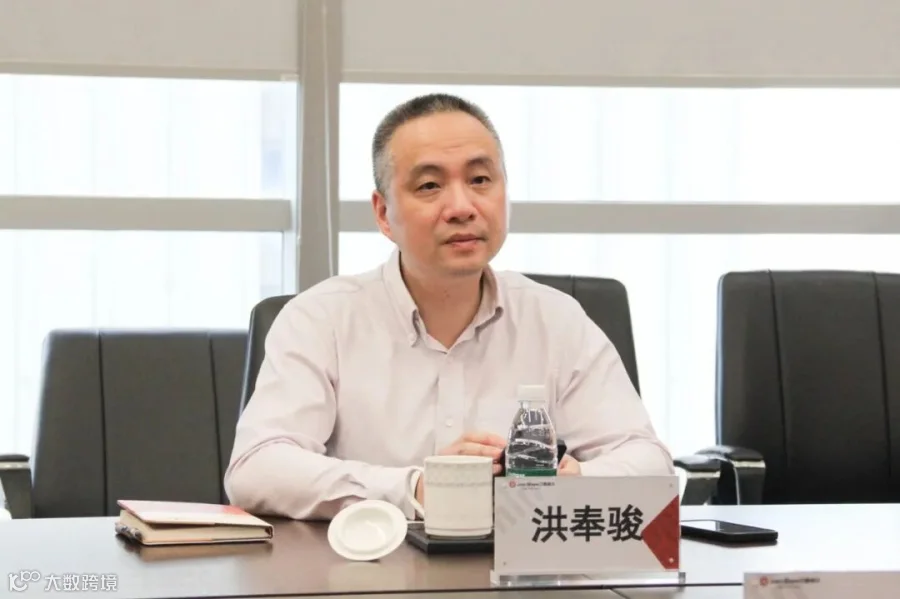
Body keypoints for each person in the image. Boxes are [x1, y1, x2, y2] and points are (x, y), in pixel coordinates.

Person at [224, 93, 674, 520]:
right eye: (429, 185)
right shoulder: (321, 319)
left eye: (480, 180)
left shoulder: (557, 319)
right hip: (366, 563)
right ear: (383, 213)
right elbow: (257, 468)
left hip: (521, 565)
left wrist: (572, 482)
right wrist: (419, 487)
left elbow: (649, 464)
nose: (461, 207)